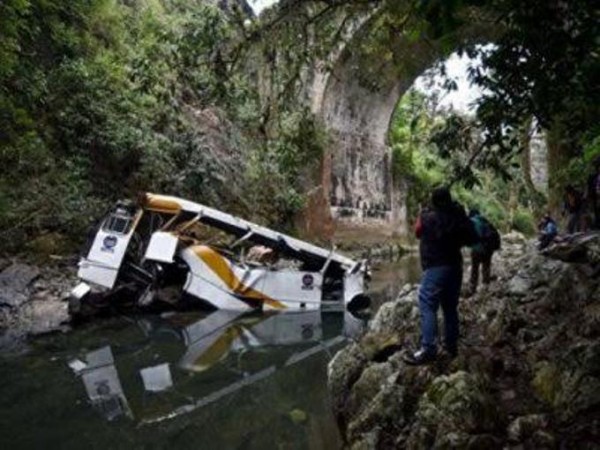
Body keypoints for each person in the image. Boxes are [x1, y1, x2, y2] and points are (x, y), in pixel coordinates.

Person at [405, 186, 477, 365]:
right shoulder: (458, 217)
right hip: (455, 267)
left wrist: (425, 213)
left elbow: (417, 232)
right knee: (450, 307)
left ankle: (429, 349)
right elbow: (472, 237)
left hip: (435, 267)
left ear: (434, 201)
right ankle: (451, 347)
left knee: (427, 305)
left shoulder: (428, 217)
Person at [468, 209, 500, 295]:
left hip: (478, 249)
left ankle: (473, 288)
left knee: (475, 268)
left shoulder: (472, 221)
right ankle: (486, 286)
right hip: (488, 249)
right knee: (486, 266)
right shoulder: (485, 221)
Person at [587, 160, 600, 230]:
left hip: (595, 196)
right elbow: (592, 188)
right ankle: (597, 226)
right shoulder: (593, 177)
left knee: (597, 211)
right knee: (596, 211)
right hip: (596, 197)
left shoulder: (594, 177)